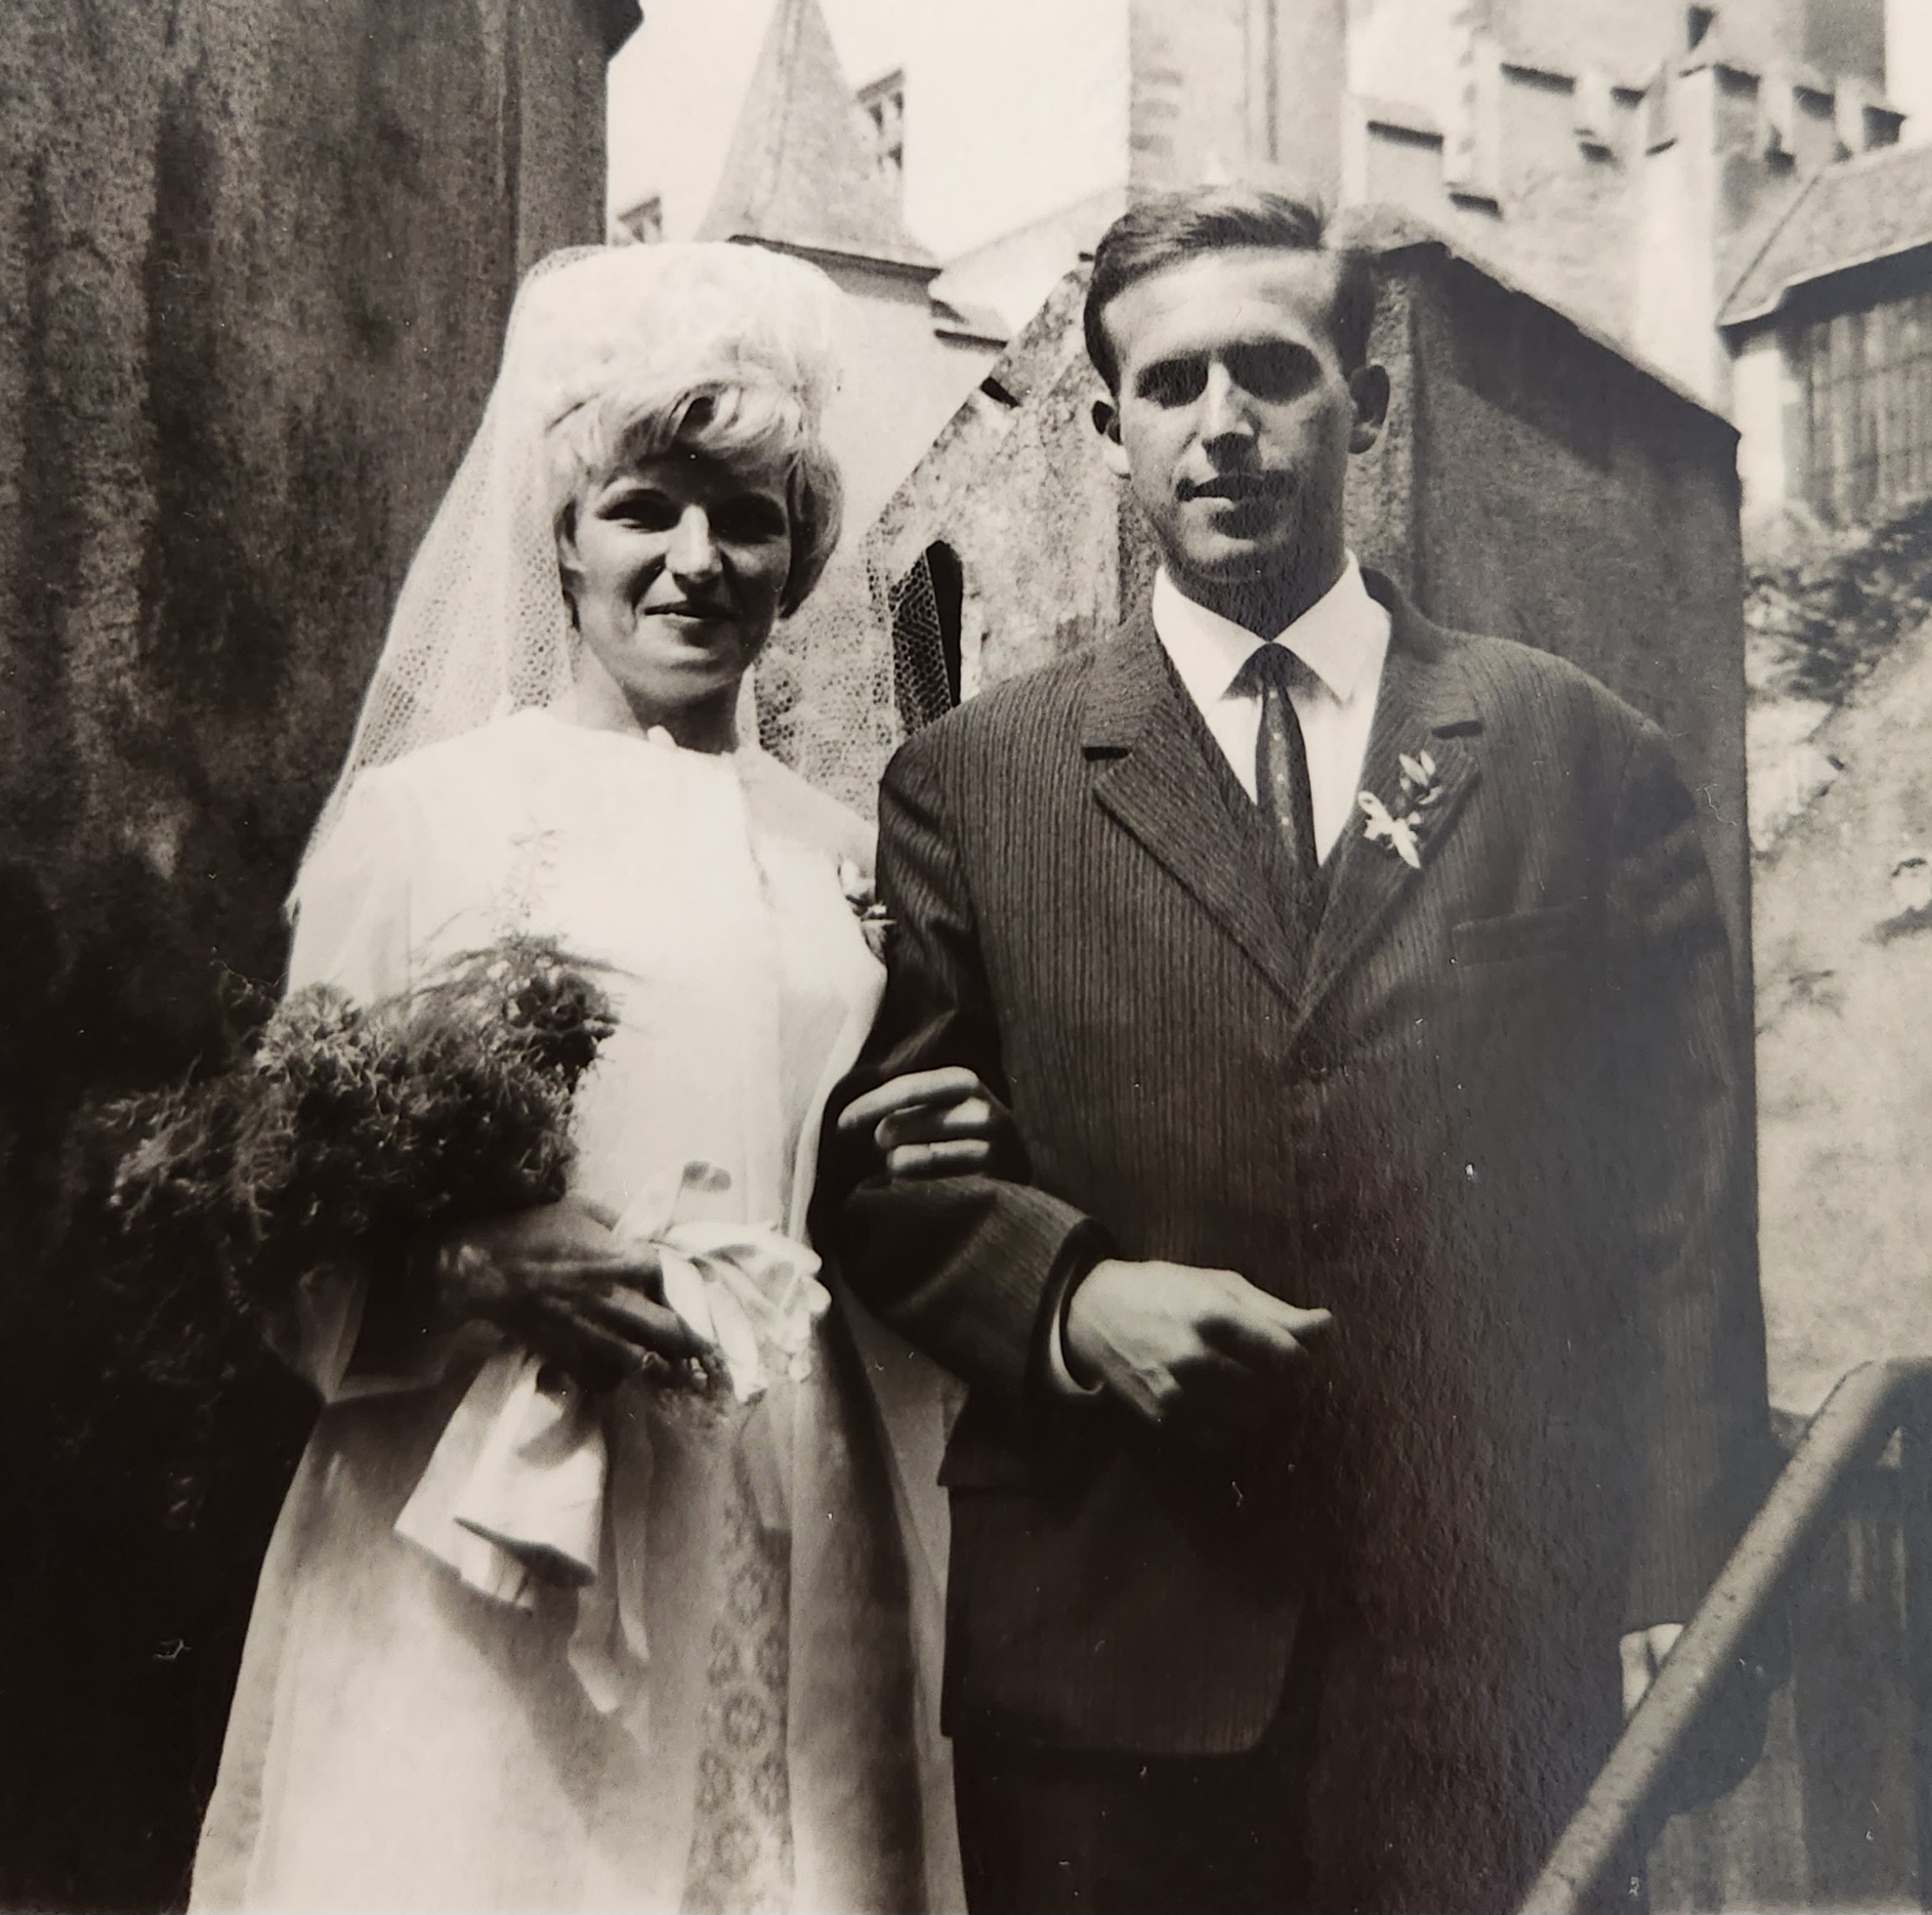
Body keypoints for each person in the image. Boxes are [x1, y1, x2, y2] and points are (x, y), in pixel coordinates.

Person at [818, 183, 1772, 1915]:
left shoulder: (1577, 756)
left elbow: (1682, 1202)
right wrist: (1071, 1299)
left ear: (1368, 403)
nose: (1225, 424)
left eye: (1273, 369)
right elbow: (887, 1173)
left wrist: (1687, 1572)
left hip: (1489, 1668)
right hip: (1112, 1659)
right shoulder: (975, 785)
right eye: (1172, 383)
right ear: (1110, 433)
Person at [194, 240, 997, 1915]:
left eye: (748, 517)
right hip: (489, 1515)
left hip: (791, 1492)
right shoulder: (431, 822)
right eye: (646, 507)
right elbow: (275, 1217)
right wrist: (477, 1274)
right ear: (564, 531)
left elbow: (857, 1180)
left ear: (798, 554)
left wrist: (932, 1150)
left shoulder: (845, 853)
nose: (697, 560)